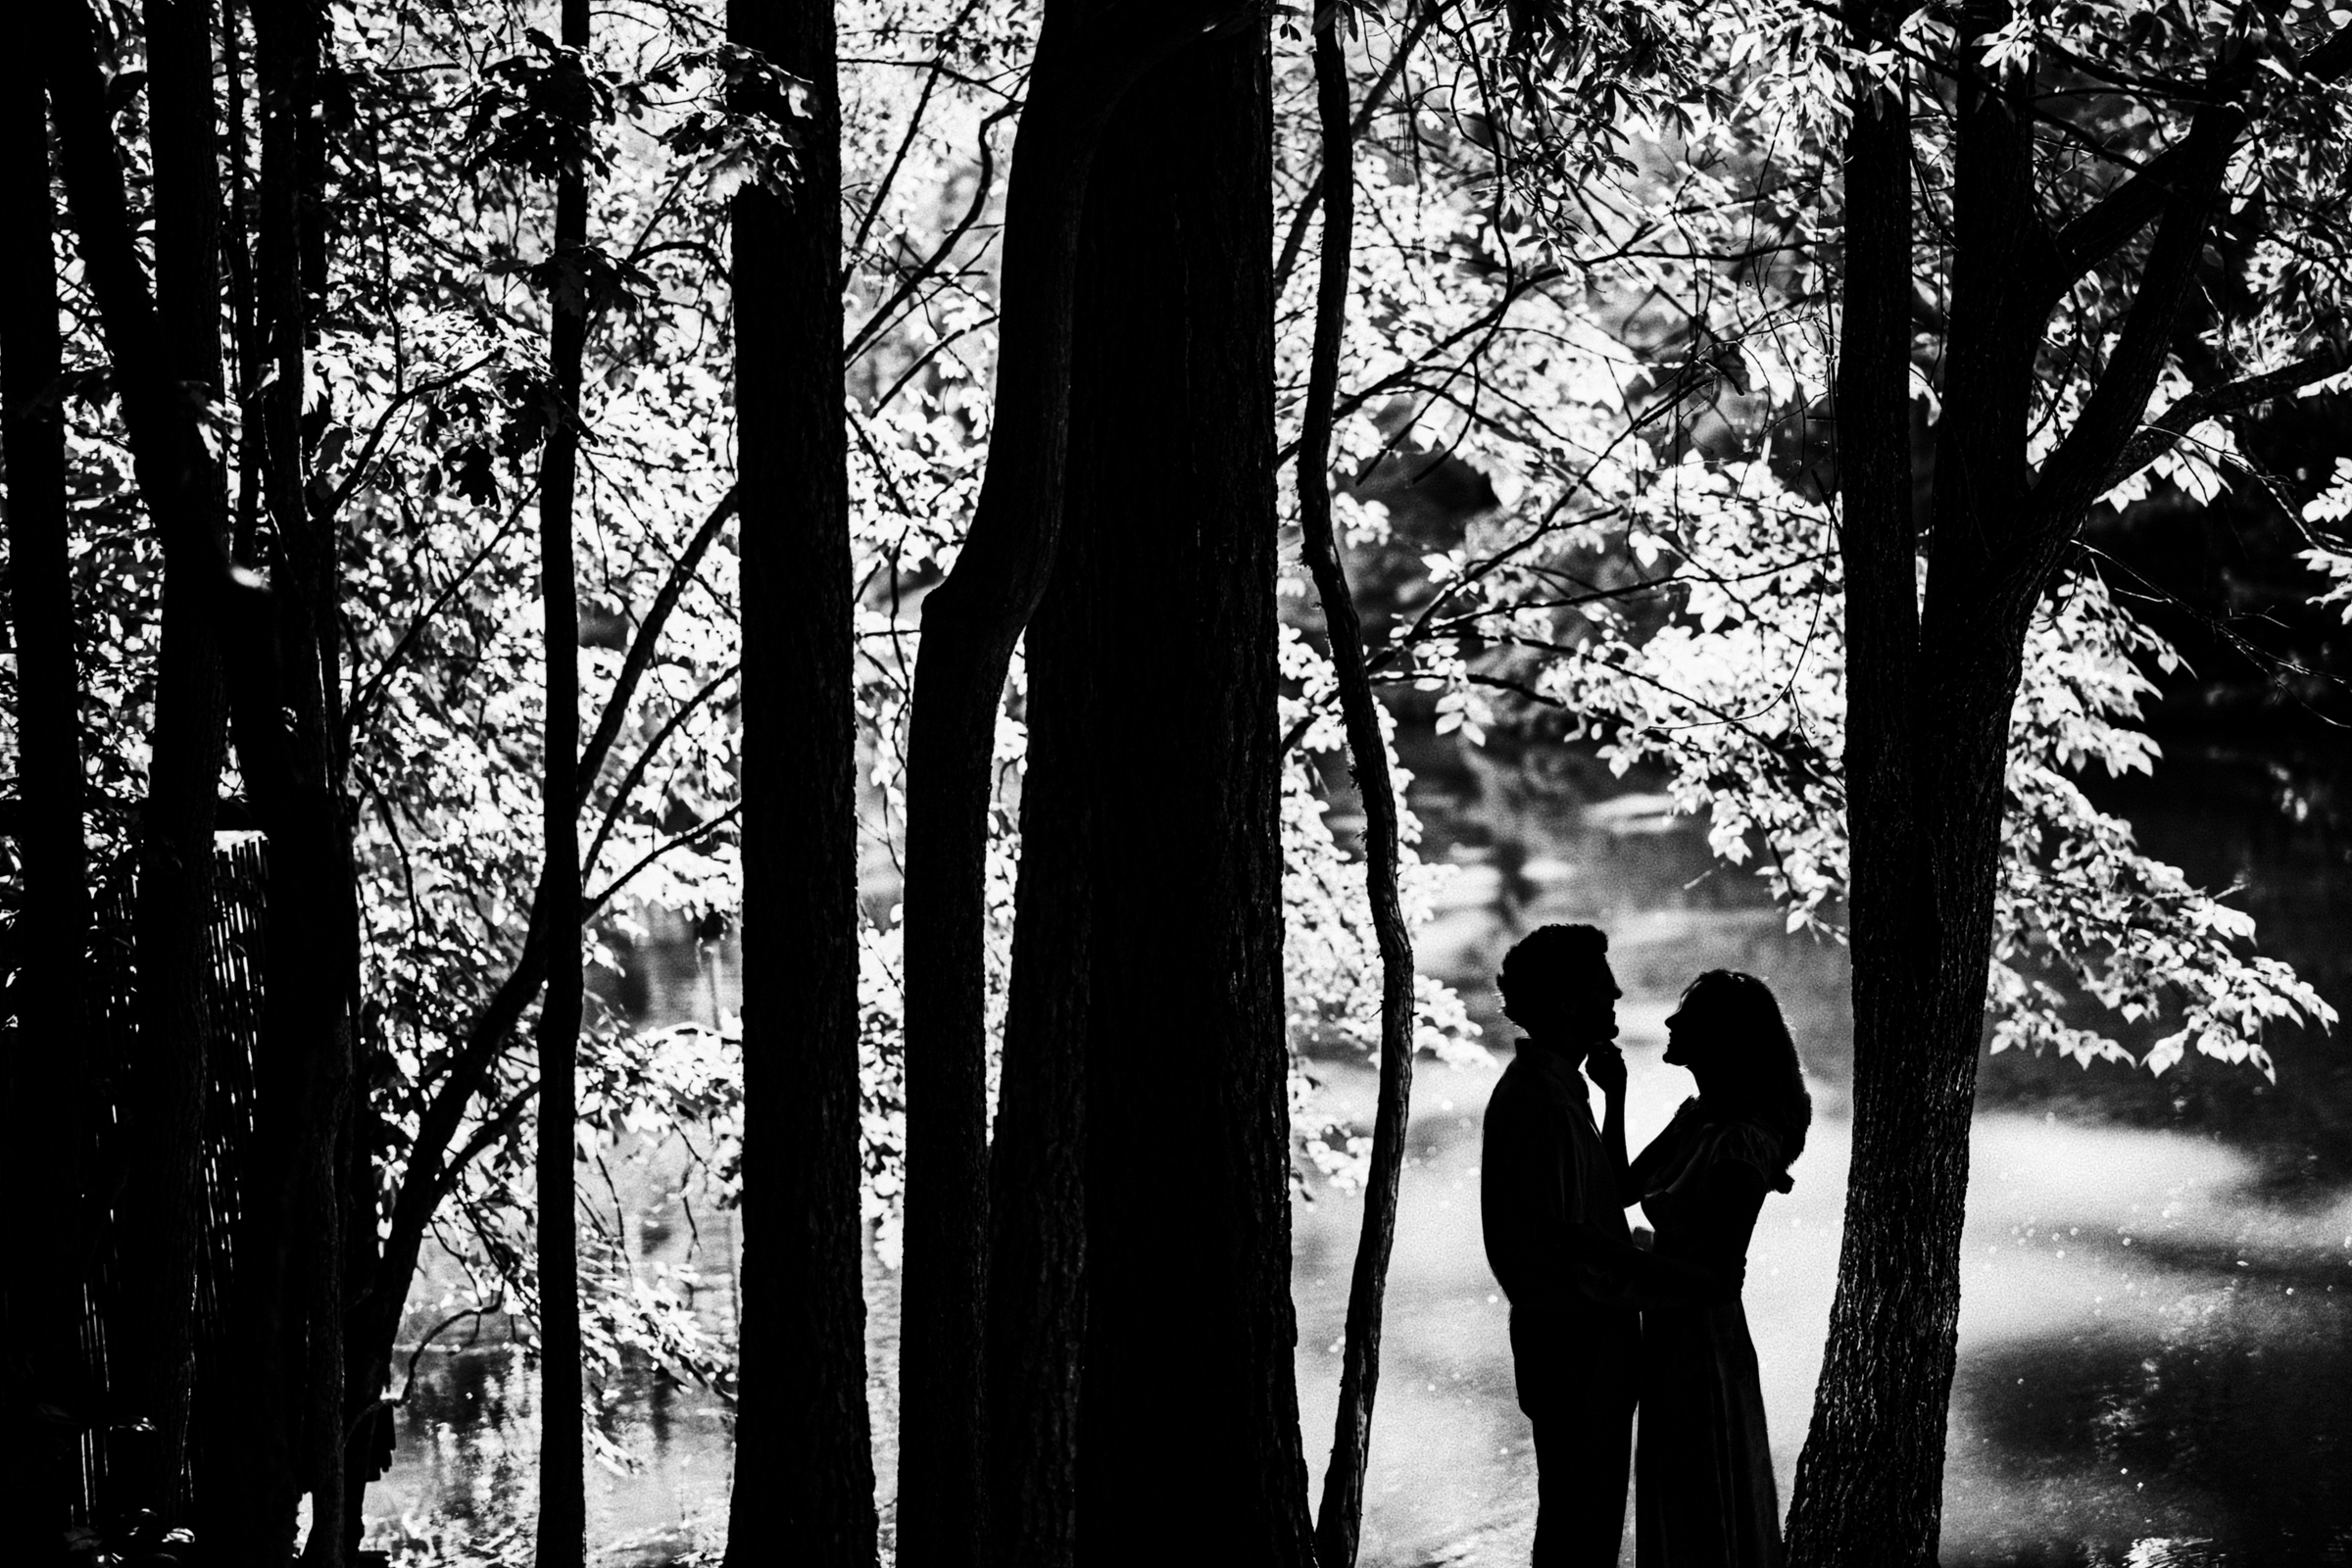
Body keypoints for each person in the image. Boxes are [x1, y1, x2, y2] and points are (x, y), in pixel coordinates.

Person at [1624, 970, 1811, 1568]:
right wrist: (1614, 1094)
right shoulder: (1696, 1117)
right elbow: (1619, 1191)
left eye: (1690, 1015)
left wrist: (1622, 1263)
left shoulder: (1743, 1142)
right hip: (1668, 1337)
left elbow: (1722, 1278)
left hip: (1704, 1346)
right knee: (1677, 1502)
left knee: (1705, 1503)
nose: (1671, 1023)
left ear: (1725, 1037)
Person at [1480, 923, 1641, 1568]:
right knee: (1579, 1525)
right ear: (1570, 1003)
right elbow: (1564, 1237)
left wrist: (1618, 1097)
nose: (1618, 996)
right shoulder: (1535, 1100)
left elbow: (1613, 1195)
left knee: (1588, 1518)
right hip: (1575, 1341)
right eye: (1604, 988)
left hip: (1587, 1337)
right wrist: (1673, 1278)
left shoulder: (1562, 1088)